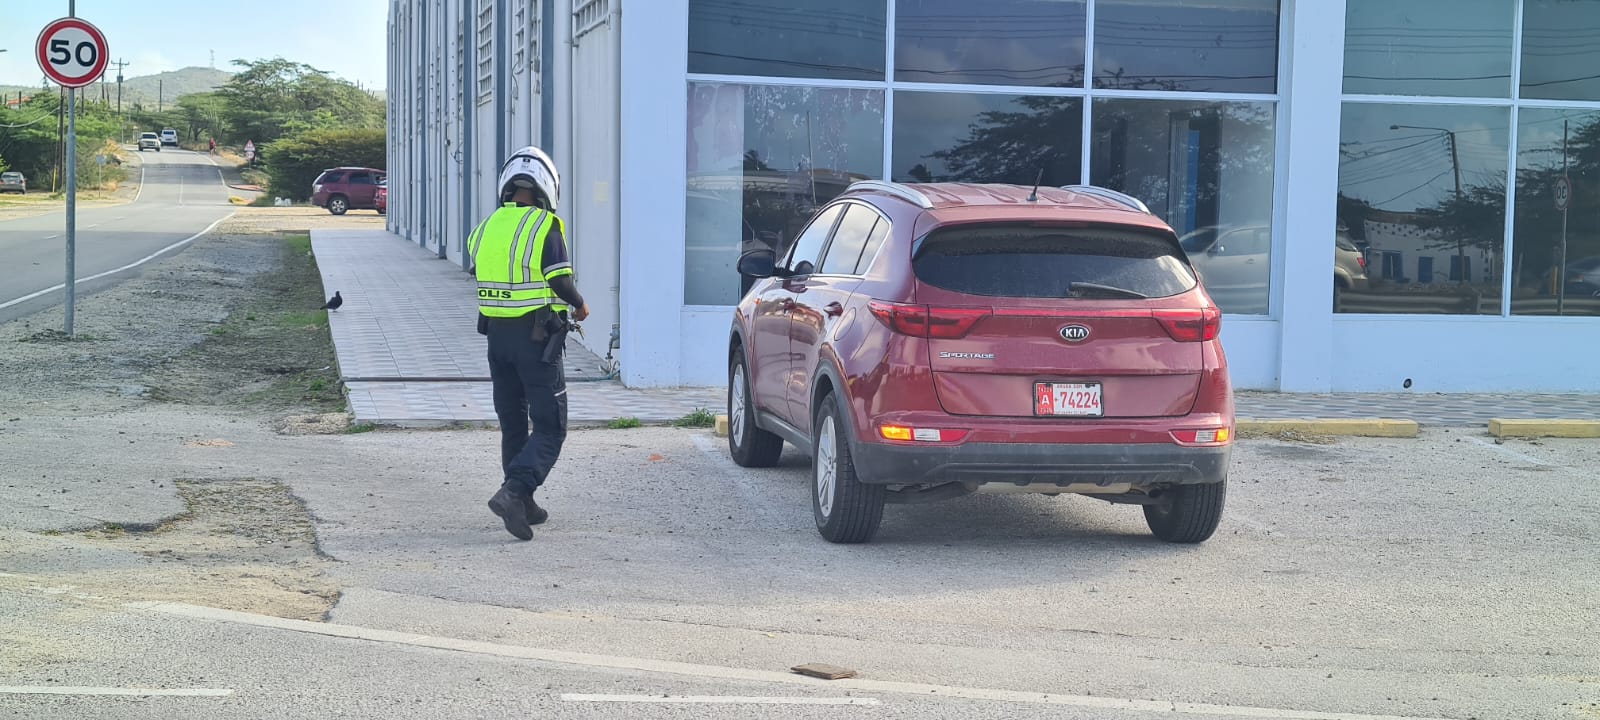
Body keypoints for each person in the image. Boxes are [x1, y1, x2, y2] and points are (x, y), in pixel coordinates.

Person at [469, 146, 589, 541]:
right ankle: (515, 491)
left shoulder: (484, 228)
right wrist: (580, 304)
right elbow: (558, 278)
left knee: (513, 423)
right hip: (536, 340)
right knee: (551, 425)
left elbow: (478, 269)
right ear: (547, 189)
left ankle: (524, 504)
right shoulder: (545, 226)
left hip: (496, 341)